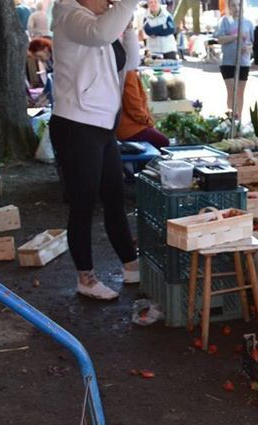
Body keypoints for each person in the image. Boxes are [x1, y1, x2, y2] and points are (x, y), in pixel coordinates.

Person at [51, 0, 140, 301]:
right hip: (76, 124)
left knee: (114, 198)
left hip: (103, 124)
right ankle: (85, 278)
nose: (110, 2)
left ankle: (131, 265)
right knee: (83, 204)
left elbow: (130, 63)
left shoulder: (100, 23)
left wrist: (129, 27)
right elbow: (99, 34)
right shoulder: (70, 15)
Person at [117, 43, 171, 149]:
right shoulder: (129, 74)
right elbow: (134, 106)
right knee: (163, 142)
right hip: (129, 129)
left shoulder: (125, 72)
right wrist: (148, 121)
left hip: (125, 126)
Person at [215, 2, 254, 119]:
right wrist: (236, 36)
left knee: (240, 92)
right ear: (229, 7)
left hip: (243, 62)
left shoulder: (248, 23)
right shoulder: (225, 21)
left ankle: (239, 118)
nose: (237, 8)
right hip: (228, 61)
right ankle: (231, 117)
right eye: (233, 5)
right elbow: (220, 39)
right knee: (232, 90)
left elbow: (252, 43)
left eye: (239, 5)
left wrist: (247, 48)